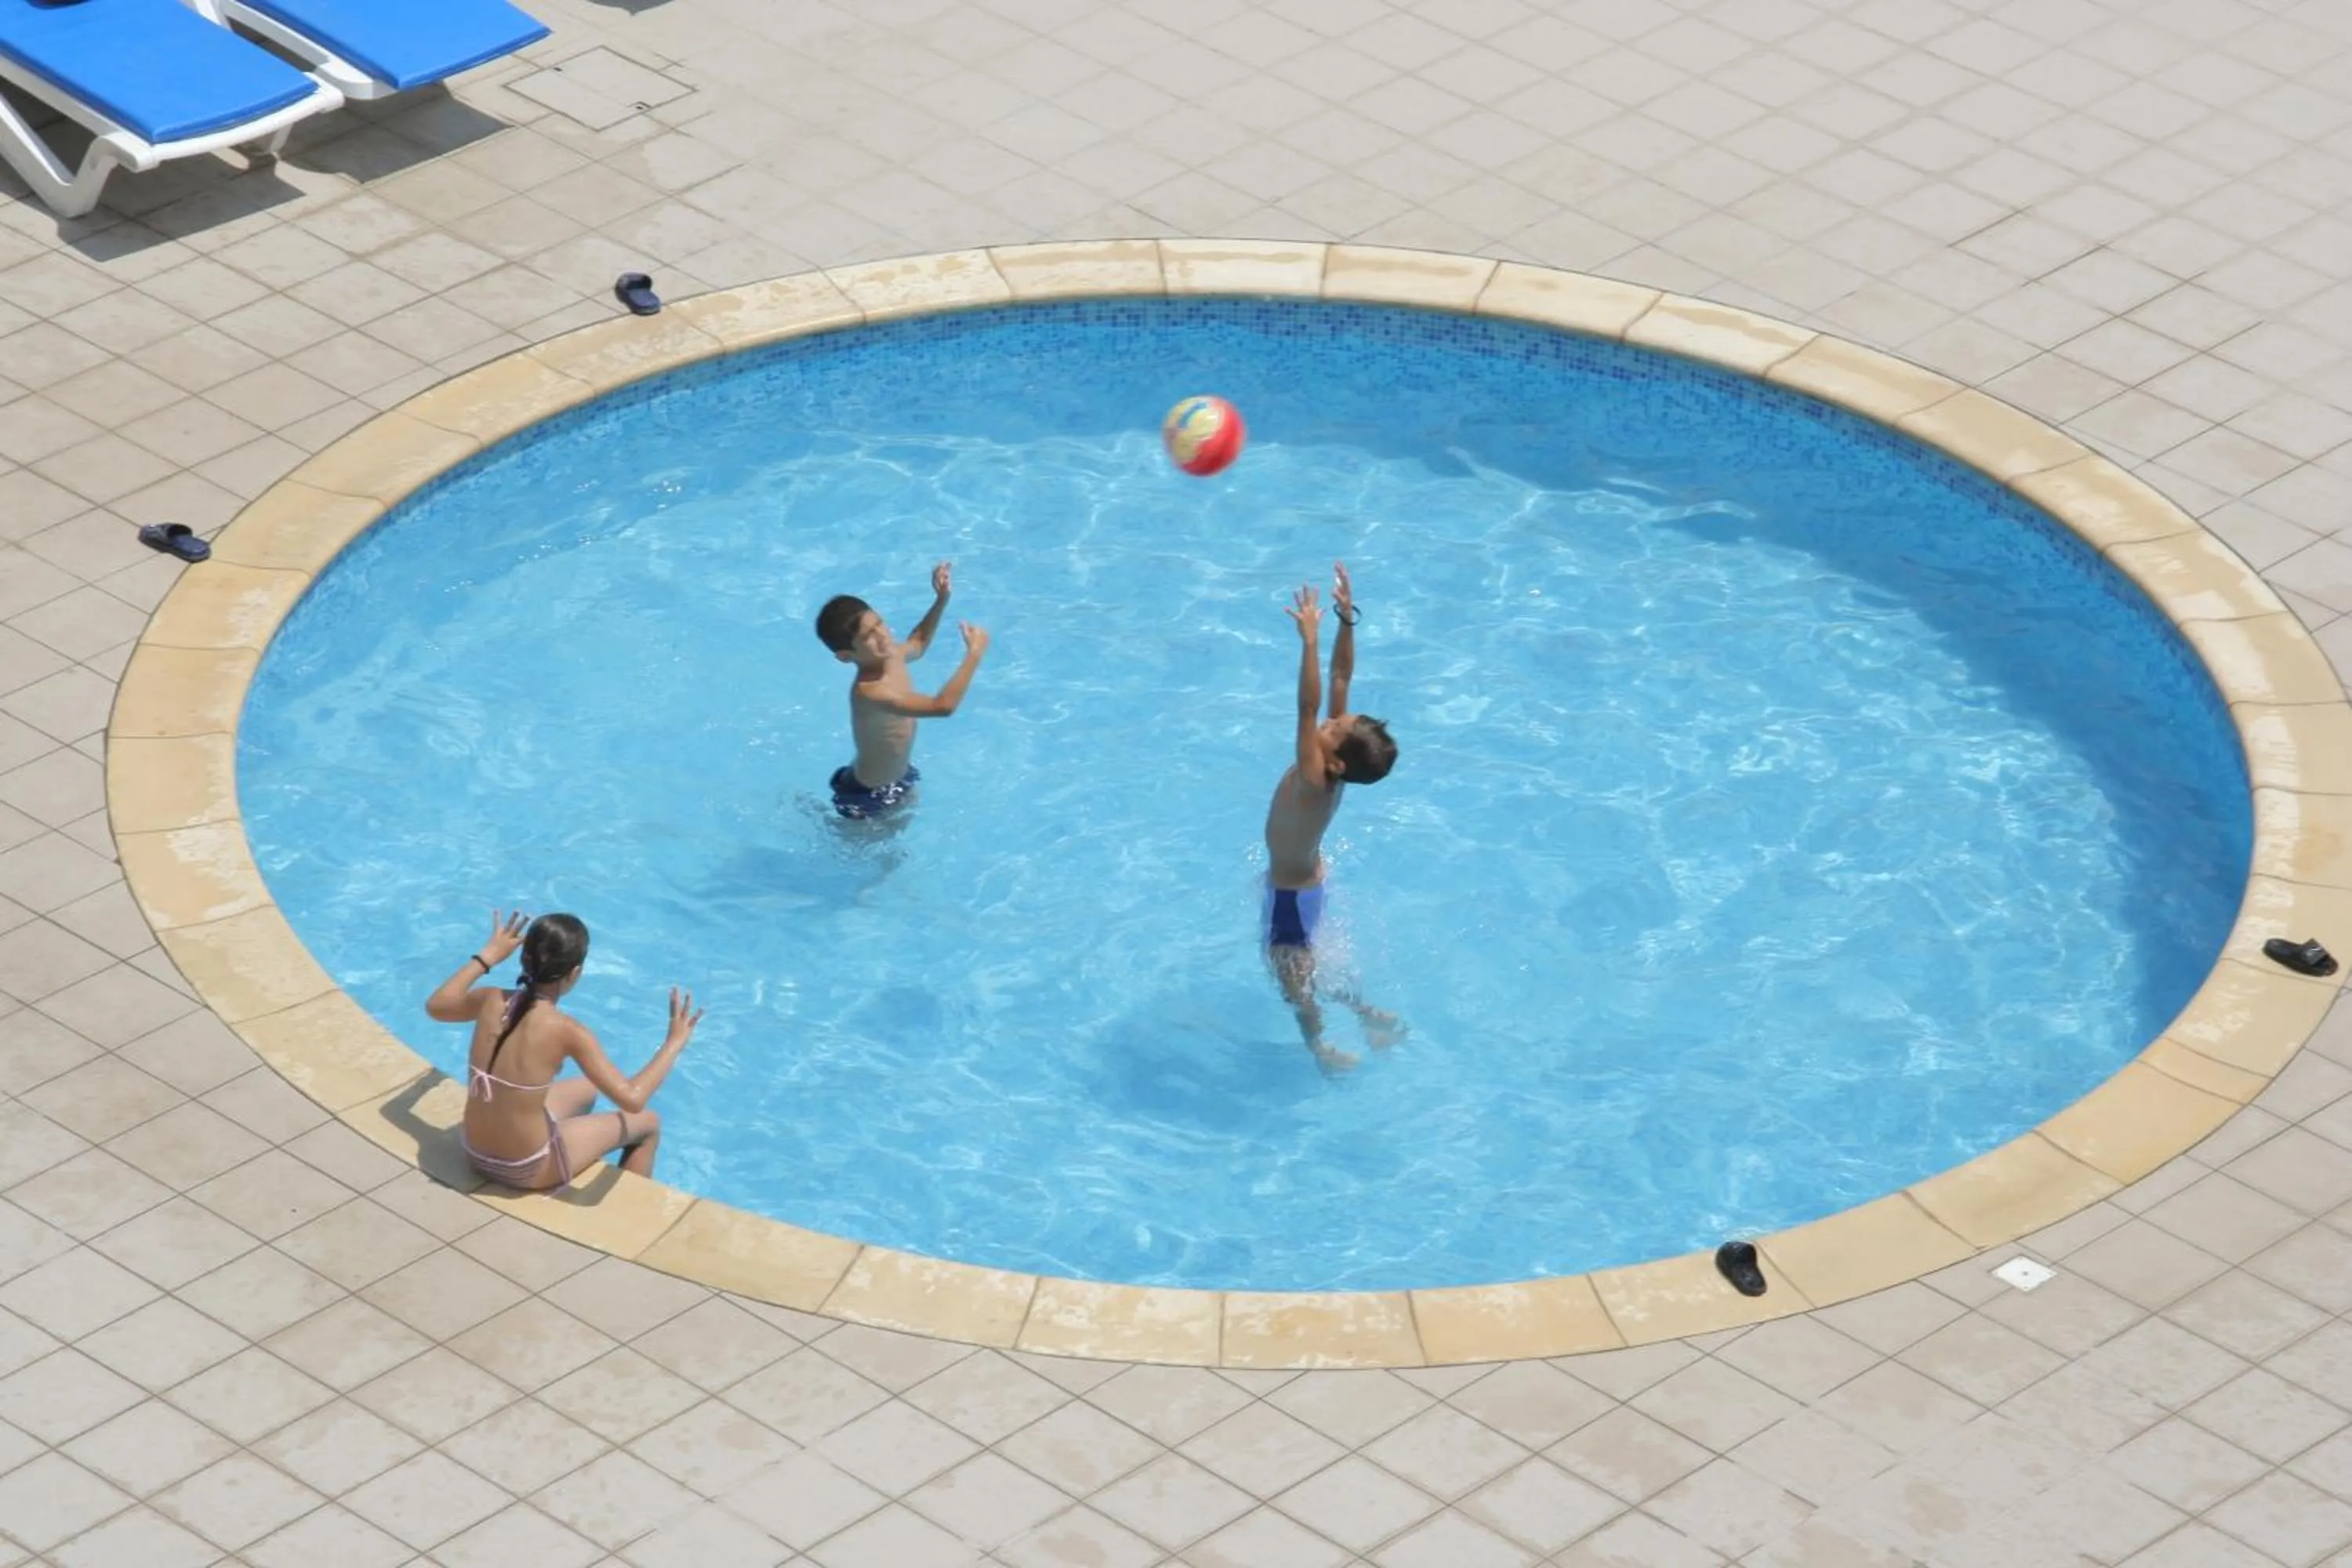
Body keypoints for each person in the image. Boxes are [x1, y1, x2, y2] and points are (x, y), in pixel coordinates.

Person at [426, 910, 700, 1188]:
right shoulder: (568, 1031)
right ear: (575, 973)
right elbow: (633, 1099)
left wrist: (488, 956)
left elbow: (437, 1006)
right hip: (524, 1169)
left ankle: (568, 1144)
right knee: (648, 1124)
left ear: (523, 957)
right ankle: (626, 1215)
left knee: (587, 1089)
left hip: (474, 1151)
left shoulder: (490, 999)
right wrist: (674, 1043)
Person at [1265, 562, 1402, 1070]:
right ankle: (1371, 1015)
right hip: (1305, 887)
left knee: (1294, 986)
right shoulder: (1331, 769)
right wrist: (1346, 620)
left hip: (1289, 899)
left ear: (1338, 758)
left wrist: (1307, 641)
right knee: (1310, 970)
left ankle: (1321, 1048)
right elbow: (1342, 675)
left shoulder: (1313, 779)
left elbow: (1306, 706)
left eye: (1335, 726)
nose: (1328, 720)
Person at [813, 561, 989, 819]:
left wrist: (941, 600)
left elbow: (918, 642)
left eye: (879, 624)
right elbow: (943, 706)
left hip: (897, 776)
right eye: (869, 636)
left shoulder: (890, 654)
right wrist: (974, 654)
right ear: (845, 656)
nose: (883, 636)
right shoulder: (870, 692)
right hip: (867, 794)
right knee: (867, 854)